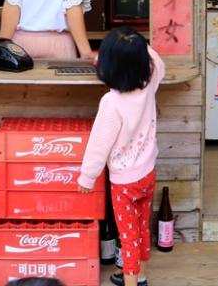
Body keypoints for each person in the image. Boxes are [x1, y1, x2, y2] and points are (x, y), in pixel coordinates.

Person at [78, 27, 166, 286]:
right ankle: (141, 276)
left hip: (124, 184)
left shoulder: (111, 102)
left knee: (127, 238)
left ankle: (130, 282)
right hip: (147, 173)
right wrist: (137, 46)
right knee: (141, 229)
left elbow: (98, 144)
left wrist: (87, 176)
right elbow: (156, 60)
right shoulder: (149, 81)